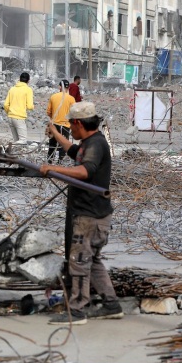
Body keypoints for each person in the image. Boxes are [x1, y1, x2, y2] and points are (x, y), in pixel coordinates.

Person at [40, 102, 123, 325]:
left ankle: (76, 310)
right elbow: (73, 151)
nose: (71, 130)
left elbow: (85, 171)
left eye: (70, 125)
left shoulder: (96, 144)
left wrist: (53, 168)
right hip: (96, 213)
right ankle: (112, 305)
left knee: (78, 262)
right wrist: (56, 133)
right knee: (92, 261)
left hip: (89, 215)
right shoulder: (88, 144)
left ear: (78, 123)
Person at [46, 79, 75, 164]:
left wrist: (53, 118)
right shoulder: (71, 99)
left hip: (54, 125)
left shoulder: (53, 97)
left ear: (59, 87)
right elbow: (74, 113)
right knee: (64, 144)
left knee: (52, 144)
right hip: (66, 125)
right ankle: (60, 162)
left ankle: (49, 161)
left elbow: (48, 112)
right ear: (68, 87)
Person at [3, 72, 34, 145]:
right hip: (19, 118)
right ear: (28, 81)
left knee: (17, 141)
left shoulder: (12, 89)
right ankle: (7, 148)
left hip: (10, 117)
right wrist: (32, 106)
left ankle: (13, 153)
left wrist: (10, 112)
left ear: (19, 80)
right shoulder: (28, 89)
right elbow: (29, 106)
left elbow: (5, 105)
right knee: (23, 141)